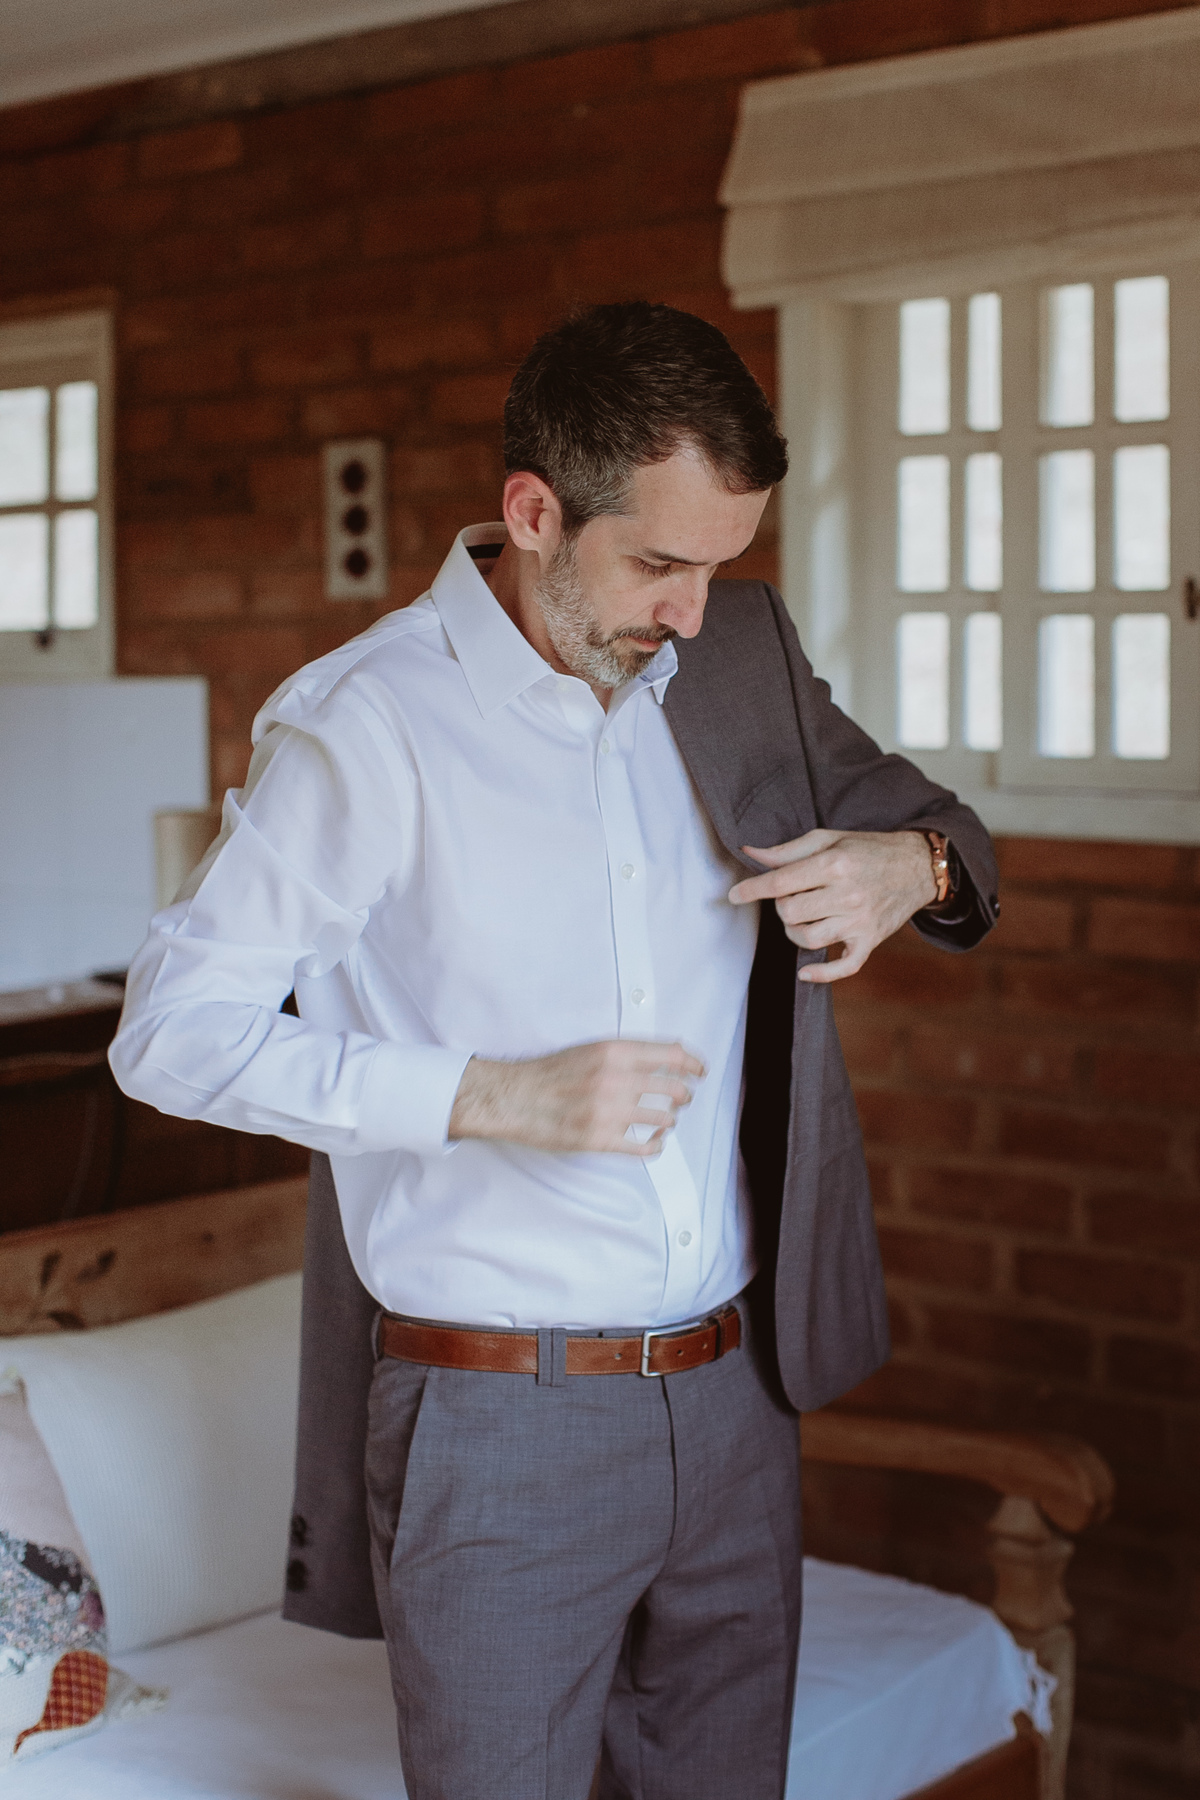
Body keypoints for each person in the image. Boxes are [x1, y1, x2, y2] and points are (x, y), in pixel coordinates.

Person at [110, 301, 998, 1800]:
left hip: (737, 1399)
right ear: (535, 514)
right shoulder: (364, 726)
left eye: (722, 564)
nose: (695, 611)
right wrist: (486, 1095)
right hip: (498, 1426)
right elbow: (168, 1035)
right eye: (660, 566)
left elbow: (946, 831)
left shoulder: (735, 657)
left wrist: (906, 868)